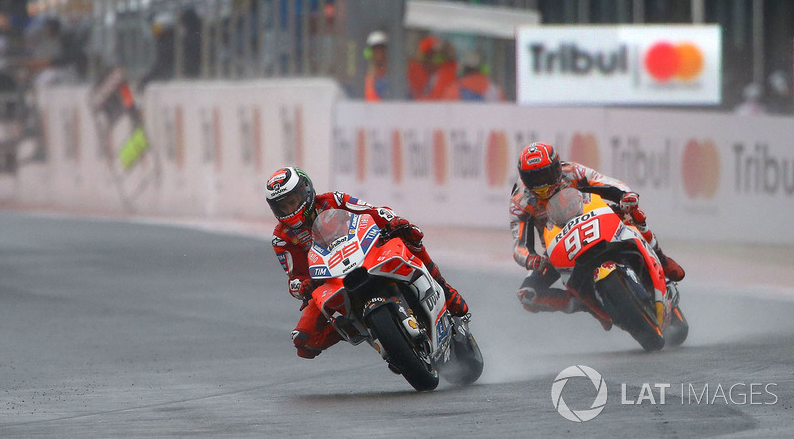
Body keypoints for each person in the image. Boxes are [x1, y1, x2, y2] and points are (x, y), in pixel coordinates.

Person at [266, 166, 470, 359]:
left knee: (409, 236)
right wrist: (303, 286)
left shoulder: (333, 200)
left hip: (367, 253)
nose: (289, 209)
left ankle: (443, 288)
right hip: (331, 279)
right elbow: (294, 277)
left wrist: (393, 222)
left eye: (292, 201)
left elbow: (372, 211)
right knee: (304, 340)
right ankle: (357, 327)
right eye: (282, 206)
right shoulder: (282, 237)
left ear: (306, 192)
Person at [509, 142, 685, 329]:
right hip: (560, 248)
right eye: (534, 178)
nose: (542, 184)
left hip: (597, 220)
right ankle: (587, 306)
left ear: (557, 167)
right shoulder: (520, 200)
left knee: (631, 213)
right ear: (523, 177)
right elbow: (519, 244)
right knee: (527, 295)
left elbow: (607, 183)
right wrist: (531, 259)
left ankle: (661, 258)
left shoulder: (572, 171)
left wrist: (625, 195)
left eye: (545, 174)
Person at [363, 30, 389, 101]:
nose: (378, 52)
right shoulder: (367, 76)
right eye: (375, 49)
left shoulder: (393, 73)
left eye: (381, 48)